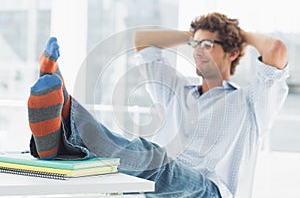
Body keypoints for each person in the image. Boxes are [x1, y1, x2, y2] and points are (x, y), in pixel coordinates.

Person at [27, 12, 289, 198]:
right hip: (161, 182)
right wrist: (195, 35)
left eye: (208, 46)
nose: (198, 51)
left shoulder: (250, 102)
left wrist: (235, 34)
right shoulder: (177, 88)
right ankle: (58, 126)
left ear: (232, 53)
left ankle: (64, 111)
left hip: (209, 190)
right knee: (142, 159)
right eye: (195, 45)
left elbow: (276, 49)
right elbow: (142, 40)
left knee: (152, 157)